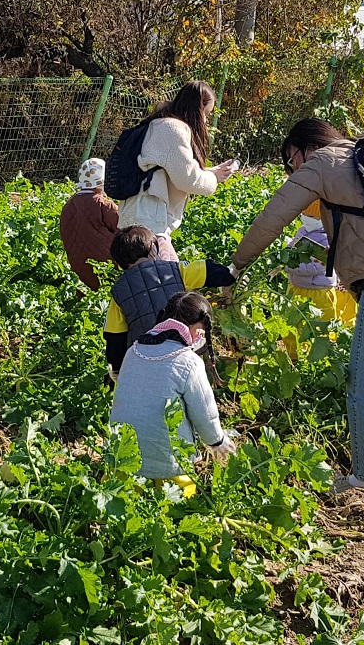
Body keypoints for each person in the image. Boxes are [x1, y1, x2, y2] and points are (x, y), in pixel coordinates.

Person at [233, 118, 364, 493]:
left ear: (304, 148)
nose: (292, 168)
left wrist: (237, 265)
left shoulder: (322, 162)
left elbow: (273, 218)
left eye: (290, 160)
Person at [109, 292, 237, 497]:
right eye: (202, 331)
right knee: (179, 498)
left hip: (122, 456)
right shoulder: (188, 361)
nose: (201, 338)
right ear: (195, 328)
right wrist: (217, 442)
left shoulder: (133, 351)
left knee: (125, 496)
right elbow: (204, 412)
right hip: (167, 463)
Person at [118, 81, 239, 261]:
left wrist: (213, 172)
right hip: (149, 221)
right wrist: (214, 179)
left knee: (157, 275)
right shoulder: (172, 129)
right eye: (206, 114)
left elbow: (174, 169)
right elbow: (188, 180)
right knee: (165, 275)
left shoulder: (161, 124)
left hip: (142, 216)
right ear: (196, 109)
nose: (205, 121)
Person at [104, 226, 235, 382]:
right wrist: (230, 275)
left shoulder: (119, 291)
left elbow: (115, 337)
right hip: (185, 350)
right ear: (153, 250)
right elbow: (211, 271)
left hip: (146, 357)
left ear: (119, 262)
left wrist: (117, 372)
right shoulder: (175, 270)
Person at [59, 158, 122, 290]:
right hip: (106, 265)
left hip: (78, 266)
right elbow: (123, 228)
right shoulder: (104, 205)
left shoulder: (68, 206)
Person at [283, 218, 357, 326]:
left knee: (323, 321)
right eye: (305, 214)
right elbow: (291, 248)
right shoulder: (303, 230)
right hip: (298, 286)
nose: (306, 218)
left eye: (311, 216)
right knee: (294, 322)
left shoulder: (328, 237)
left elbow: (317, 266)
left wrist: (287, 266)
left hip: (319, 289)